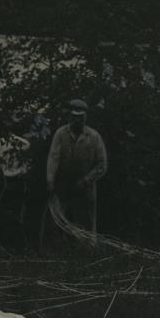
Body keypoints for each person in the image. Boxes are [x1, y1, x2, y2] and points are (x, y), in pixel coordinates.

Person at [44, 98, 108, 241]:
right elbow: (53, 158)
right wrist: (50, 180)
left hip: (85, 187)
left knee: (86, 223)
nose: (77, 120)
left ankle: (86, 255)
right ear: (69, 116)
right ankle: (53, 254)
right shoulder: (61, 134)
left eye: (81, 117)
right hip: (62, 184)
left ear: (85, 117)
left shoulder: (94, 136)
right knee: (55, 219)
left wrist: (86, 180)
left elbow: (102, 165)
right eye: (74, 117)